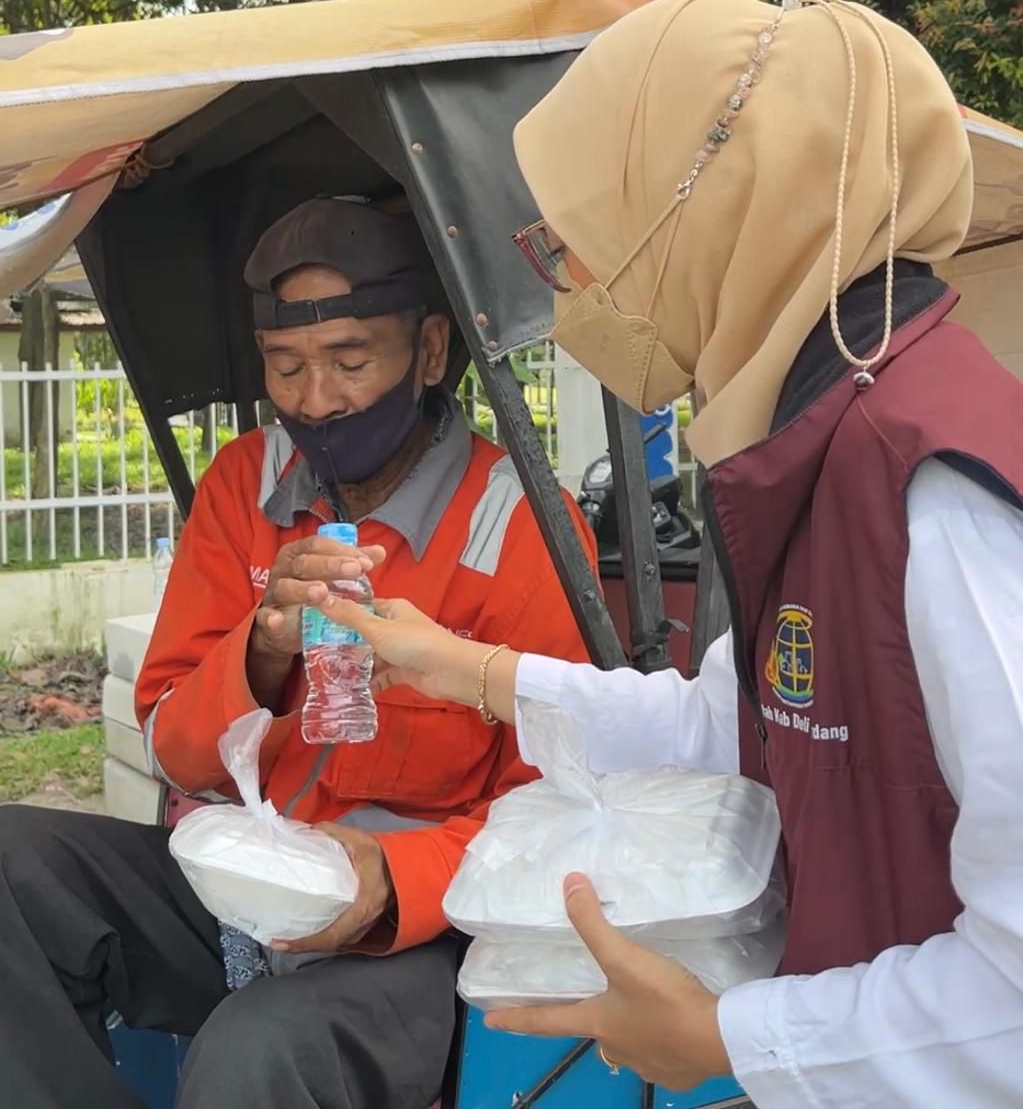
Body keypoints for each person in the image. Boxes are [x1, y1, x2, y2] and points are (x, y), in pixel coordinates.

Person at [321, 0, 1023, 1107]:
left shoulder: (937, 494)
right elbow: (740, 724)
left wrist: (733, 1034)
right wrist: (472, 671)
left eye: (585, 240)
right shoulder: (826, 442)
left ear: (722, 208)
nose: (576, 287)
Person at [0, 196, 597, 1109]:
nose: (315, 400)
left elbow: (560, 809)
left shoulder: (519, 527)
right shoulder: (245, 483)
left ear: (429, 351)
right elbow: (174, 747)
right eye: (286, 367)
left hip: (425, 933)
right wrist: (263, 649)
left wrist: (388, 882)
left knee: (261, 1047)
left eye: (351, 361)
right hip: (247, 887)